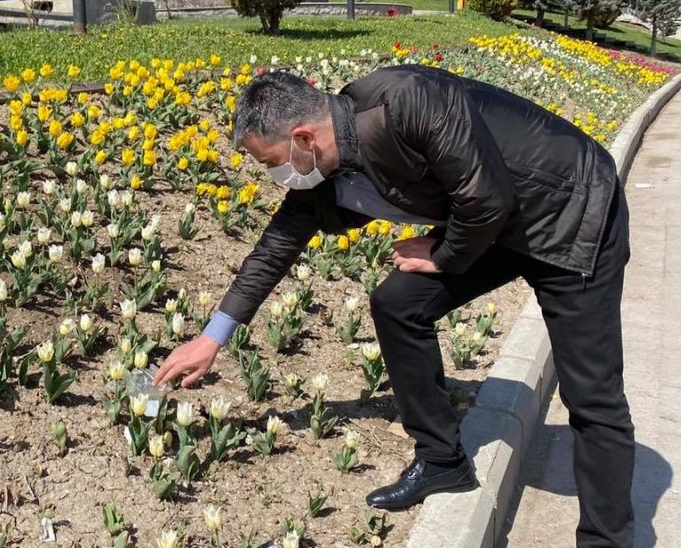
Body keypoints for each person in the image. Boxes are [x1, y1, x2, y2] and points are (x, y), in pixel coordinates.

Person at [153, 65, 634, 548]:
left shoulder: (407, 102)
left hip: (570, 213)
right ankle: (443, 461)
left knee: (592, 395)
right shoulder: (324, 164)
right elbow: (275, 248)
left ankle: (606, 539)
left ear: (303, 137)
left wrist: (442, 254)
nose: (276, 177)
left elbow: (486, 198)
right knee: (398, 302)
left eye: (271, 162)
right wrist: (212, 337)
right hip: (488, 224)